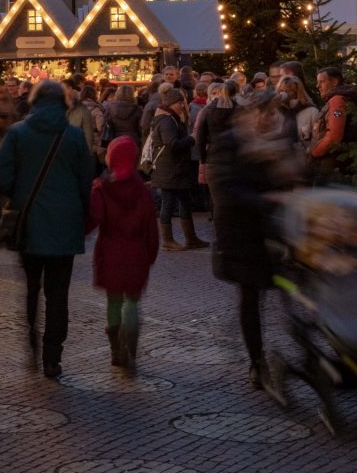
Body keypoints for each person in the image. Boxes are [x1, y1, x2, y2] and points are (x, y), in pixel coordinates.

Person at [0, 79, 96, 380]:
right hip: (65, 225)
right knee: (58, 294)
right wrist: (79, 211)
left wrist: (17, 196)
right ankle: (53, 356)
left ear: (34, 101)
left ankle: (31, 340)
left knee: (32, 287)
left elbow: (1, 174)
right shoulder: (73, 136)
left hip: (29, 223)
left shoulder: (17, 133)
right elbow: (85, 180)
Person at [210, 90, 304, 392]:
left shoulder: (278, 143)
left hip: (276, 233)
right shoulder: (229, 143)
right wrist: (267, 199)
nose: (267, 118)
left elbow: (294, 176)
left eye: (272, 112)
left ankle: (308, 357)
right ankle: (257, 360)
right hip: (242, 235)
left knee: (293, 292)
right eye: (262, 112)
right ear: (248, 114)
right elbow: (227, 189)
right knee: (251, 298)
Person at [89, 134, 161, 373]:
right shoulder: (142, 191)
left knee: (113, 300)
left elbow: (93, 218)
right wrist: (150, 254)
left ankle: (115, 349)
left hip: (110, 250)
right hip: (136, 252)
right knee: (132, 300)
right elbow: (152, 228)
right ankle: (130, 345)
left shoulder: (102, 187)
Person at [146, 86, 205, 250]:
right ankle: (167, 240)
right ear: (173, 103)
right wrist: (192, 139)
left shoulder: (168, 118)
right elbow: (172, 144)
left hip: (174, 169)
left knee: (184, 201)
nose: (183, 106)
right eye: (180, 103)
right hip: (169, 169)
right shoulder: (166, 121)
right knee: (168, 203)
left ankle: (190, 238)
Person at [307, 67, 353, 179]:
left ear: (334, 82)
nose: (317, 86)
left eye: (321, 82)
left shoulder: (337, 101)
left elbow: (334, 136)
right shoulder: (337, 99)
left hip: (330, 163)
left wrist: (314, 153)